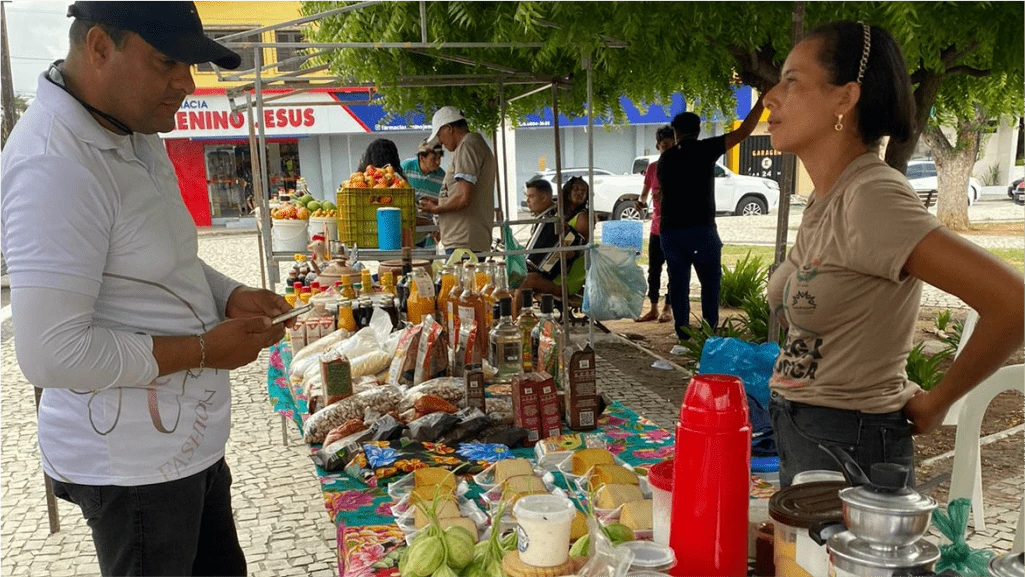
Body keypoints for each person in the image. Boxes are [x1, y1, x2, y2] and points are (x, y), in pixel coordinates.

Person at [0, 2, 293, 575]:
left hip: (185, 451)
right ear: (99, 47)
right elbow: (51, 353)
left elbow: (160, 258)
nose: (187, 83)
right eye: (166, 62)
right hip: (132, 470)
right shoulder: (55, 165)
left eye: (189, 65)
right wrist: (205, 350)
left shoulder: (133, 128)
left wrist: (227, 294)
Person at [761, 21, 1024, 488]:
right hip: (810, 434)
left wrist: (938, 401)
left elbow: (1013, 303)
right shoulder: (828, 197)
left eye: (792, 81)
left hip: (850, 445)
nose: (770, 97)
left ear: (845, 98)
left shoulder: (873, 197)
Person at [657, 96, 764, 341]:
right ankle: (710, 333)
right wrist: (761, 102)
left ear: (675, 133)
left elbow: (662, 193)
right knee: (710, 283)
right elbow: (743, 132)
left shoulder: (665, 158)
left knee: (679, 284)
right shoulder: (706, 149)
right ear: (698, 130)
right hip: (701, 228)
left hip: (671, 230)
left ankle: (683, 335)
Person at [418, 106, 496, 253]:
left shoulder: (468, 145)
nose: (440, 142)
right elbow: (463, 194)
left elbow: (463, 198)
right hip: (463, 240)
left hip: (464, 241)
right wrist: (441, 201)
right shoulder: (468, 145)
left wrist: (436, 209)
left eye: (439, 135)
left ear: (448, 128)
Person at [515, 176, 588, 308]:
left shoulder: (583, 218)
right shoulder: (558, 214)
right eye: (576, 189)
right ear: (568, 191)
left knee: (525, 280)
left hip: (568, 279)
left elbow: (580, 249)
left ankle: (513, 318)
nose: (579, 193)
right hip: (554, 275)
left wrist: (567, 251)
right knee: (514, 276)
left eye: (583, 190)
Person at [635, 125, 676, 323]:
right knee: (654, 270)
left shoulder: (681, 167)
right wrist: (640, 203)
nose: (668, 149)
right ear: (658, 146)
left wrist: (667, 197)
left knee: (673, 270)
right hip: (656, 227)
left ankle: (668, 307)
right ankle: (653, 307)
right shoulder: (653, 168)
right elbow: (644, 194)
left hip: (675, 228)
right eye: (665, 146)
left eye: (671, 145)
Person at [401, 140, 446, 247]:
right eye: (433, 159)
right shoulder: (406, 167)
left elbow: (444, 204)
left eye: (439, 158)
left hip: (429, 234)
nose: (438, 162)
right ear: (422, 158)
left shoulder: (443, 176)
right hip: (407, 230)